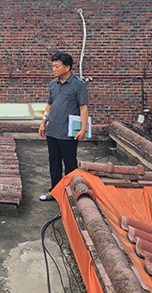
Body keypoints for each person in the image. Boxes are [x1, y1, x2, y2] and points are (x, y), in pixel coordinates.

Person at [37, 52, 89, 201]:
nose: (53, 69)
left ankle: (72, 194)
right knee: (54, 162)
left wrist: (83, 129)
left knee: (70, 163)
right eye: (52, 66)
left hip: (68, 133)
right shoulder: (54, 84)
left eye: (56, 66)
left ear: (67, 67)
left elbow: (83, 107)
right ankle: (55, 192)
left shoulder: (78, 85)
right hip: (52, 131)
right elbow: (49, 104)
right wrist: (43, 122)